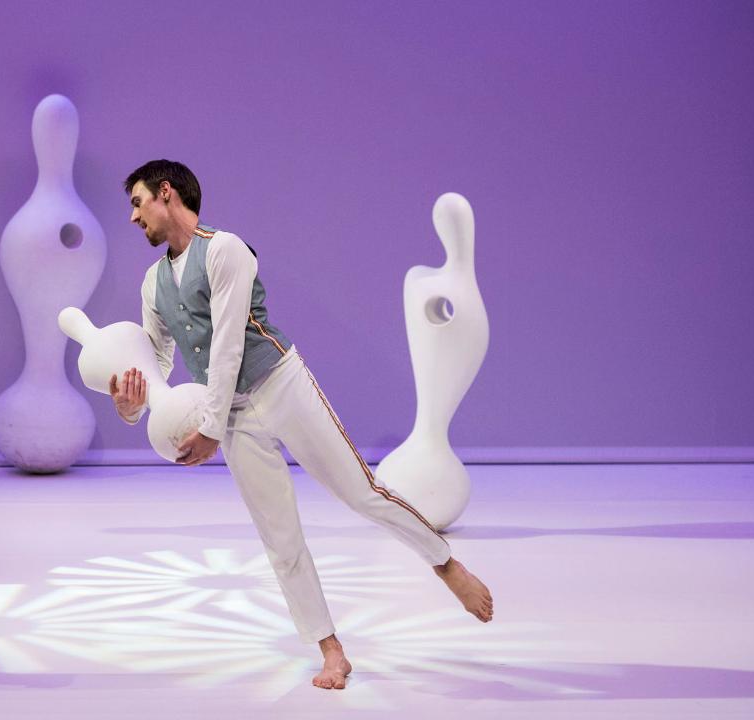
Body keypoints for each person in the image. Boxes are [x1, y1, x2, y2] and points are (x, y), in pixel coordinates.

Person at [108, 159, 493, 691]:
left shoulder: (225, 250)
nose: (133, 217)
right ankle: (331, 650)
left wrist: (210, 427)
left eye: (137, 202)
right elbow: (157, 365)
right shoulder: (153, 283)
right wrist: (131, 406)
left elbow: (228, 344)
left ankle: (446, 564)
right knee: (280, 538)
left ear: (166, 192)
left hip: (280, 384)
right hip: (233, 415)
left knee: (362, 492)